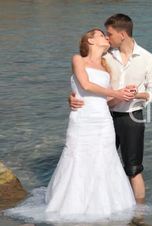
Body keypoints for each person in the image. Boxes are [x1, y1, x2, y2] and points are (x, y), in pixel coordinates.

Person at [5, 28, 139, 222]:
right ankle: (72, 206)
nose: (106, 37)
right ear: (90, 41)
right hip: (82, 119)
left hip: (103, 121)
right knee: (76, 156)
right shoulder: (78, 59)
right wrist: (115, 93)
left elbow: (107, 100)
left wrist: (123, 95)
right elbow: (85, 85)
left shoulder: (106, 67)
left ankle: (104, 206)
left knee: (105, 158)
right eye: (101, 35)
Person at [69, 14, 152, 204]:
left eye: (109, 34)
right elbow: (85, 81)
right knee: (99, 164)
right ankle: (98, 205)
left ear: (122, 34)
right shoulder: (105, 56)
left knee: (133, 169)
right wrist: (71, 98)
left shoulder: (149, 59)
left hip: (131, 118)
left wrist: (134, 94)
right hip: (102, 117)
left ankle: (139, 215)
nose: (107, 38)